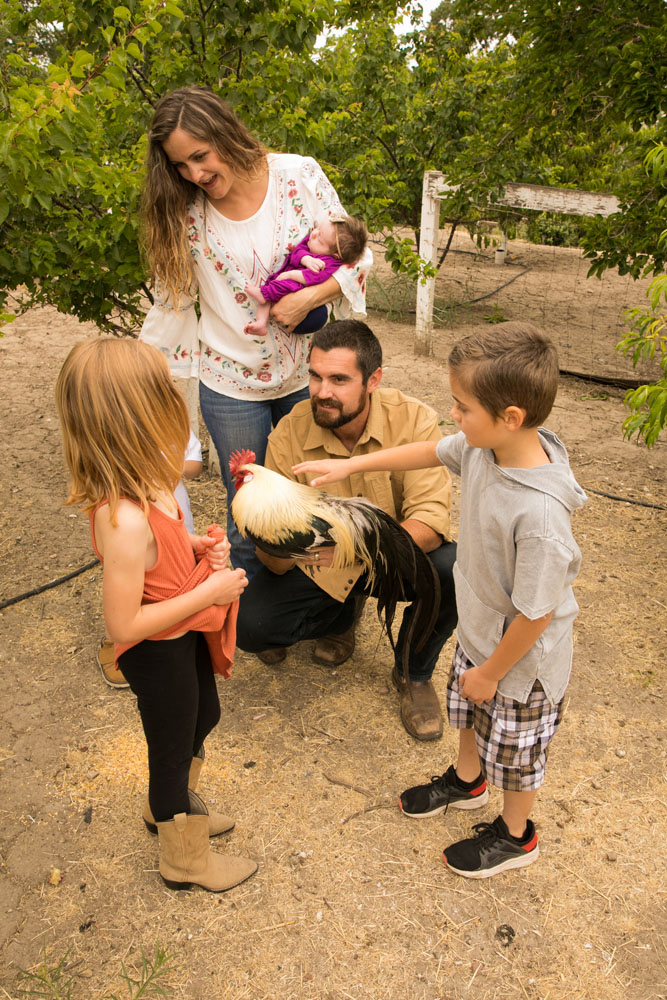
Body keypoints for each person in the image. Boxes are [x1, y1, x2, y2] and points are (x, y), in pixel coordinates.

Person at [296, 322, 586, 878]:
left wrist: (495, 672)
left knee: (516, 751)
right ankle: (467, 780)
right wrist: (350, 466)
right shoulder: (487, 447)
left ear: (512, 418)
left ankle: (515, 834)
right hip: (482, 633)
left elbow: (537, 612)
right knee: (470, 715)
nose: (453, 416)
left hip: (522, 664)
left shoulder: (541, 516)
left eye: (462, 407)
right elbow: (429, 450)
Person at [139, 85, 372, 576]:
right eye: (181, 166)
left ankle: (329, 607)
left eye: (200, 157)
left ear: (226, 133)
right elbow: (171, 304)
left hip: (310, 375)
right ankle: (251, 612)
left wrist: (309, 297)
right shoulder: (185, 212)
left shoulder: (299, 175)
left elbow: (358, 257)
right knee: (245, 504)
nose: (195, 175)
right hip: (228, 384)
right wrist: (138, 375)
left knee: (318, 491)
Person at [55, 338, 256, 893]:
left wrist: (193, 546)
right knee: (170, 748)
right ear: (139, 415)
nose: (175, 399)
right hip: (155, 648)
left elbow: (161, 551)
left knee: (203, 714)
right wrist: (210, 590)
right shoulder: (122, 517)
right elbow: (124, 628)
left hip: (180, 634)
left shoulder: (153, 486)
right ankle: (182, 856)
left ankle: (175, 809)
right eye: (162, 391)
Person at [235, 319, 458, 741]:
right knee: (252, 627)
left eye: (339, 379)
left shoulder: (413, 421)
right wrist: (280, 547)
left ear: (373, 380)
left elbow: (429, 522)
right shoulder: (291, 430)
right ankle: (340, 617)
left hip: (394, 556)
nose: (322, 391)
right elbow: (276, 558)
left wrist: (358, 552)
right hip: (321, 564)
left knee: (452, 570)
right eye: (315, 377)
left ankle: (413, 673)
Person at [96, 427, 203, 689]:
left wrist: (166, 468)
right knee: (131, 588)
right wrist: (211, 593)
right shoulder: (124, 517)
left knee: (172, 583)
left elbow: (194, 464)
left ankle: (178, 635)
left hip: (174, 526)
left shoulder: (172, 422)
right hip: (140, 534)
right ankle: (120, 645)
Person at [244, 216, 368, 337]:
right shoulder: (313, 242)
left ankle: (264, 295)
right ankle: (261, 323)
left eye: (320, 240)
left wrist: (290, 274)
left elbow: (313, 278)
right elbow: (297, 252)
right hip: (286, 278)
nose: (313, 233)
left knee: (278, 289)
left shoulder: (329, 263)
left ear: (335, 255)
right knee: (269, 294)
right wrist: (305, 258)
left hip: (298, 285)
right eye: (317, 229)